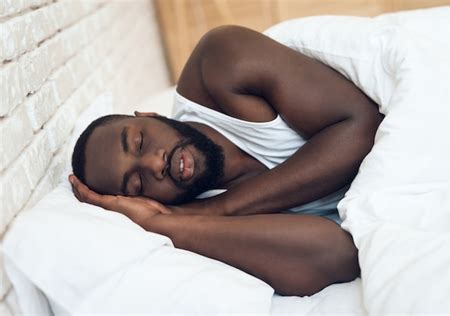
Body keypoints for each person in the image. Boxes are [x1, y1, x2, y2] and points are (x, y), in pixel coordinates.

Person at [69, 25, 383, 296]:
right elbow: (335, 255)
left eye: (139, 141)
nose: (154, 165)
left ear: (150, 115)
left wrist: (218, 208)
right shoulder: (198, 224)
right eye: (137, 184)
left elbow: (361, 126)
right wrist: (159, 224)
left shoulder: (220, 65)